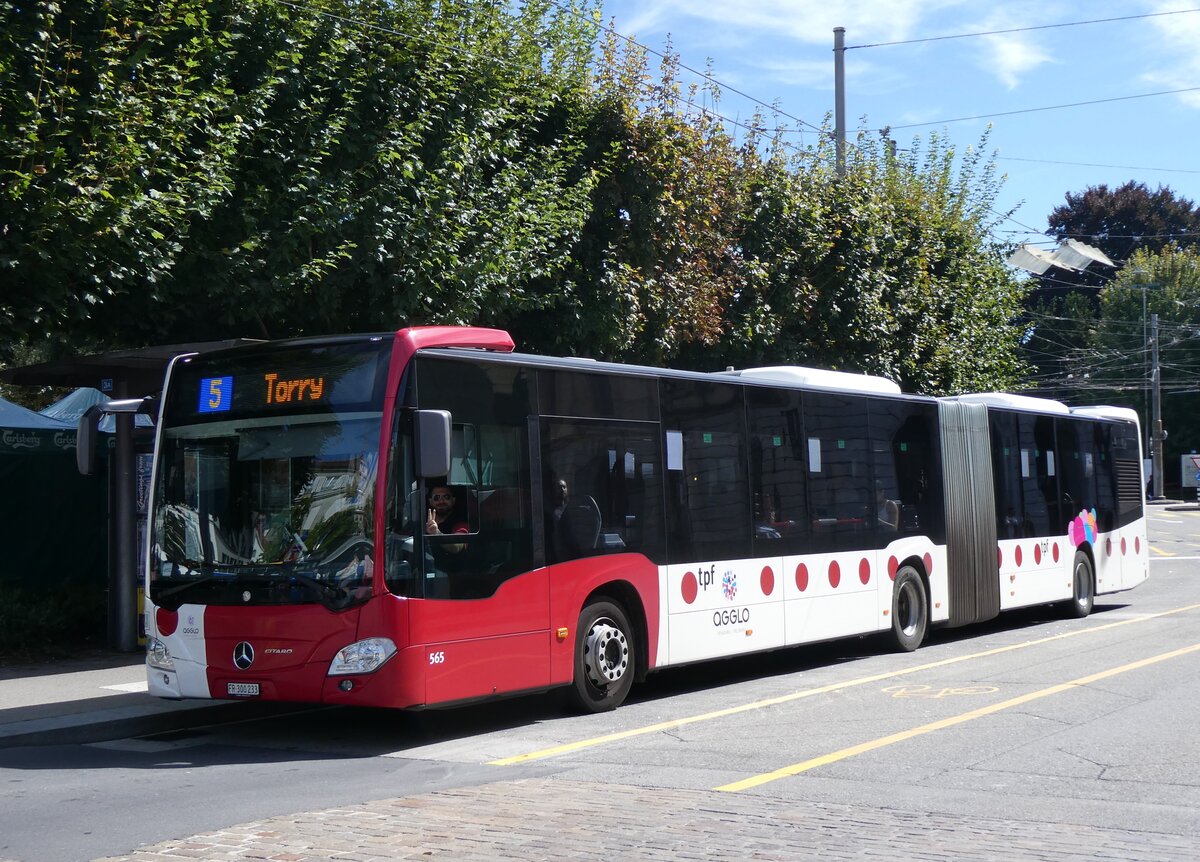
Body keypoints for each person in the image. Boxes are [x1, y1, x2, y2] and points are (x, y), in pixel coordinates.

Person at [425, 484, 469, 553]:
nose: (441, 501)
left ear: (453, 500)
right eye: (436, 497)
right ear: (430, 501)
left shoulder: (461, 523)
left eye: (446, 497)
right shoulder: (421, 522)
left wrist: (436, 533)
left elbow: (456, 547)